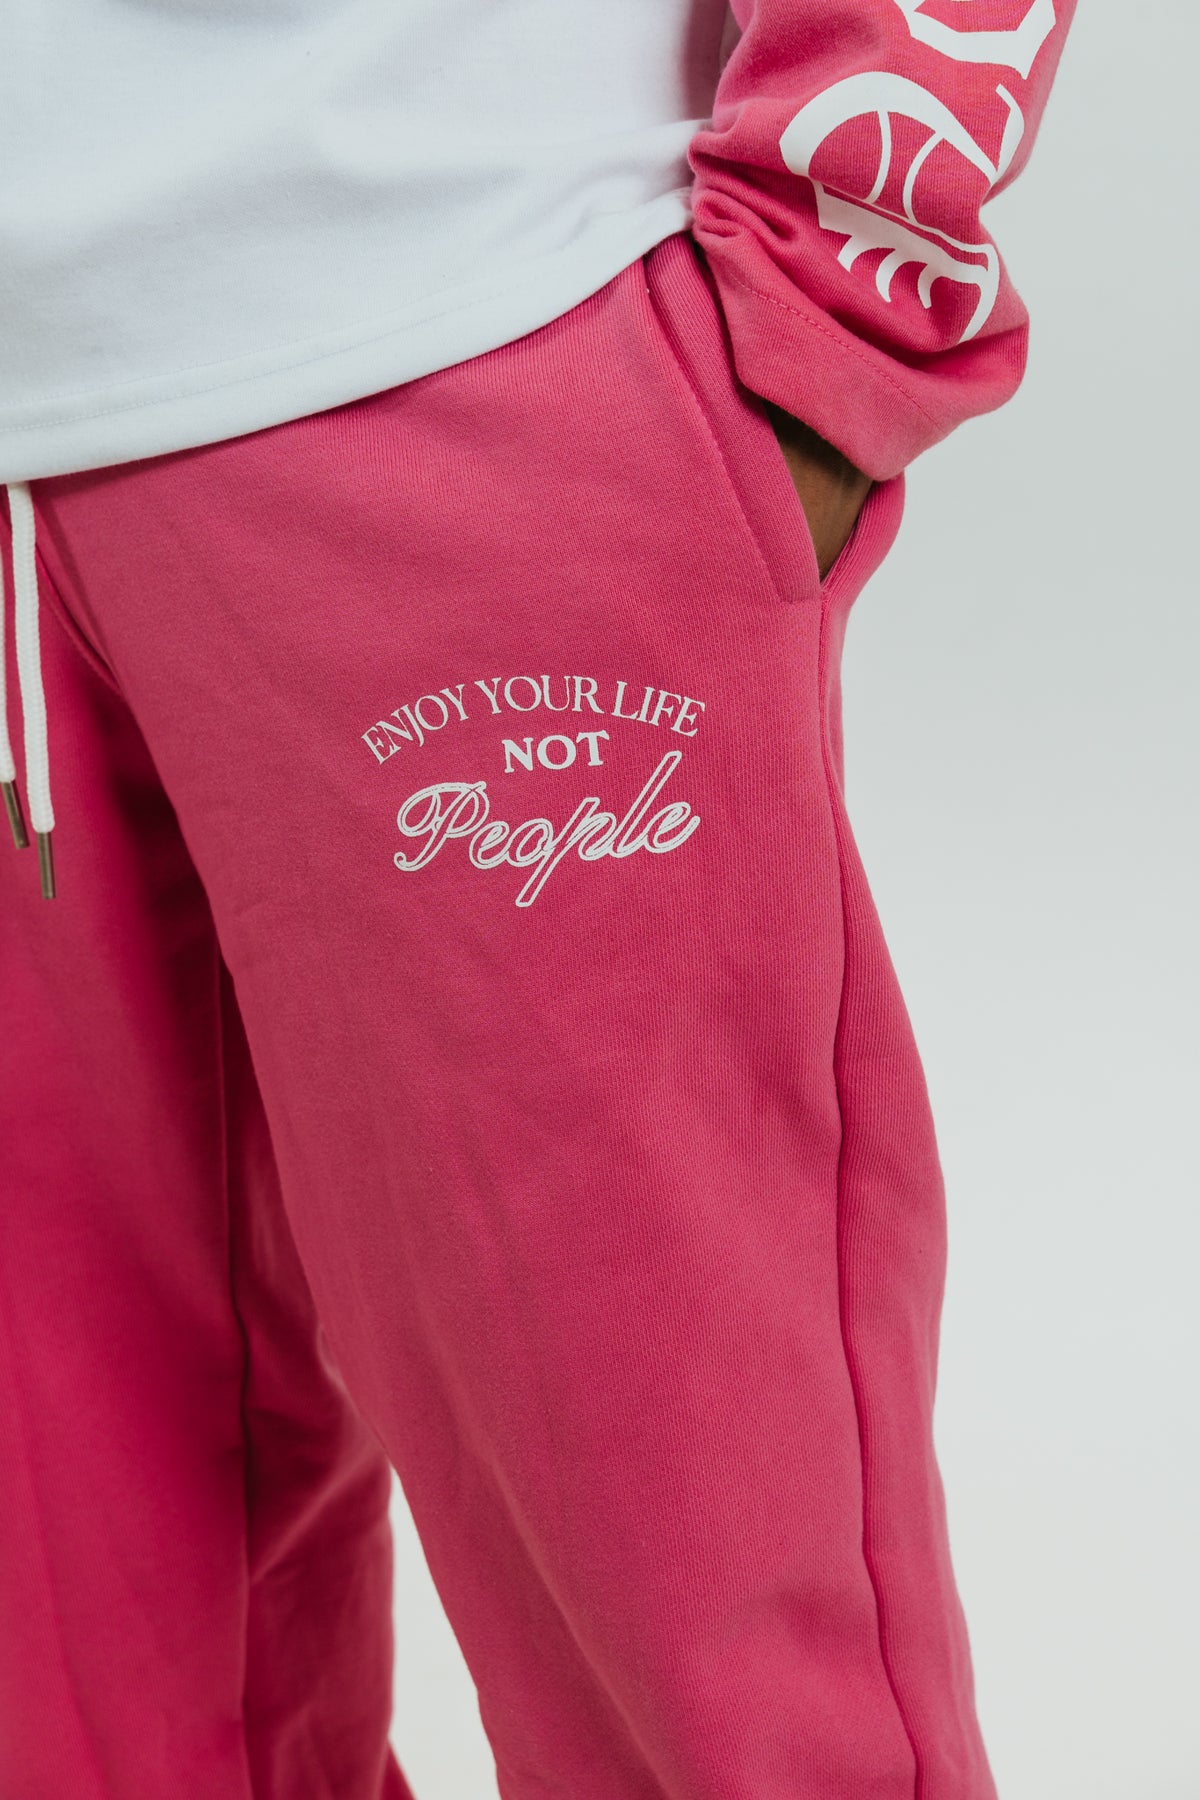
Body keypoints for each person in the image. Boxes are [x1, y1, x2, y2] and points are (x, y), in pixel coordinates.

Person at [0, 3, 1074, 1796]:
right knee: (86, 1657)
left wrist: (834, 295)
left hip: (465, 324)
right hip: (30, 463)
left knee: (692, 1639)